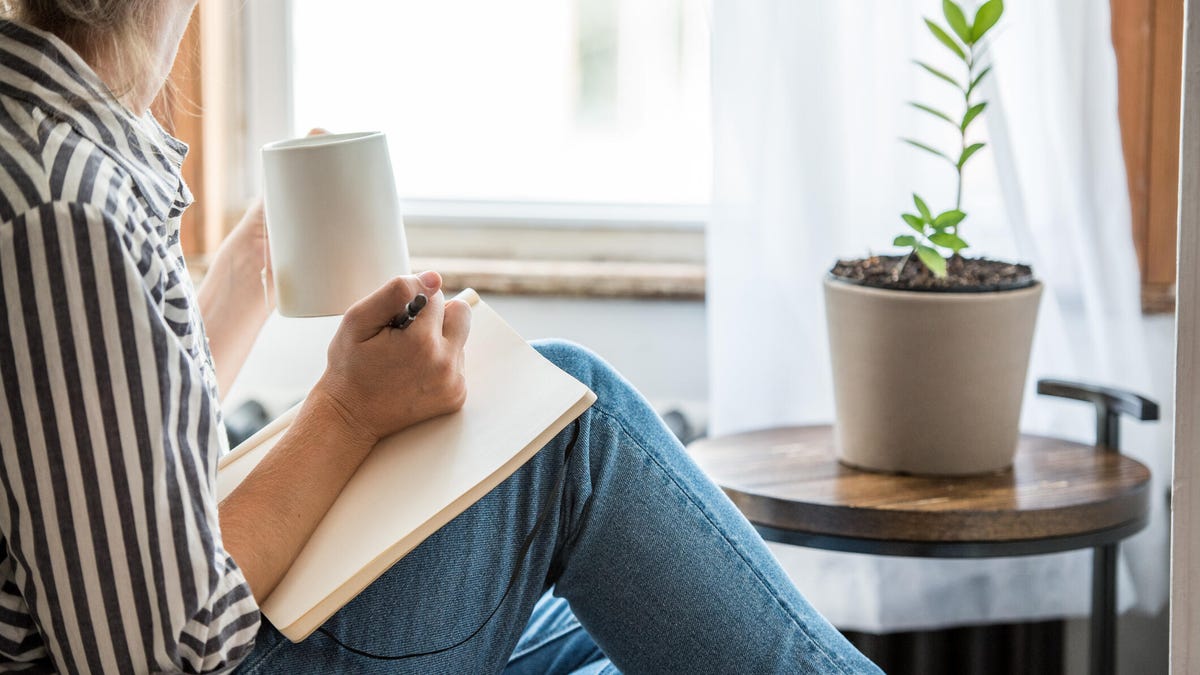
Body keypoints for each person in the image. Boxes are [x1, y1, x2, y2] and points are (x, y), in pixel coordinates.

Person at [0, 1, 882, 672]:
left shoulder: (49, 141)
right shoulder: (64, 207)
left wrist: (252, 265)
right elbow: (163, 650)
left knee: (617, 618)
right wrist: (347, 410)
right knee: (576, 423)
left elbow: (114, 457)